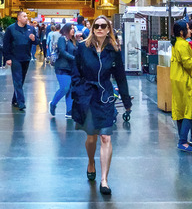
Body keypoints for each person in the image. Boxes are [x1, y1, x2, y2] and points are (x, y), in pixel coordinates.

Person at [71, 15, 132, 195]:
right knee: (91, 137)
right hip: (87, 96)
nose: (99, 28)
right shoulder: (82, 48)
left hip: (105, 96)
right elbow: (75, 73)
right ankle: (91, 162)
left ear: (108, 29)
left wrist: (126, 101)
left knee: (106, 137)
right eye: (96, 25)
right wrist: (79, 91)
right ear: (92, 29)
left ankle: (104, 180)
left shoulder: (113, 50)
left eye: (103, 26)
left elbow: (120, 77)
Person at [170, 20, 192, 153]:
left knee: (180, 110)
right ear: (181, 31)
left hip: (176, 79)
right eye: (188, 29)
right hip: (184, 80)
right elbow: (189, 64)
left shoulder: (176, 43)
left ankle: (182, 138)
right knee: (189, 110)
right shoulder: (183, 44)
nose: (190, 31)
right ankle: (182, 141)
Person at [2, 12, 37, 111]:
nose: (26, 18)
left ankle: (15, 99)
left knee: (21, 80)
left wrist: (34, 39)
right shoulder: (11, 29)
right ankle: (21, 102)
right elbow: (6, 44)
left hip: (26, 57)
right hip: (15, 57)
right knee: (17, 79)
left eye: (27, 16)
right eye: (24, 16)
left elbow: (36, 41)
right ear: (18, 18)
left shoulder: (31, 29)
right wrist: (7, 58)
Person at [49, 23, 76, 118]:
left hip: (71, 68)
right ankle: (53, 103)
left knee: (70, 89)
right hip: (62, 67)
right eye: (71, 28)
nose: (73, 30)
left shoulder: (72, 41)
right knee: (65, 87)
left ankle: (69, 110)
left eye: (74, 28)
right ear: (66, 30)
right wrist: (74, 58)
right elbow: (63, 51)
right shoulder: (62, 39)